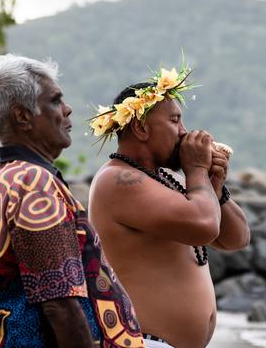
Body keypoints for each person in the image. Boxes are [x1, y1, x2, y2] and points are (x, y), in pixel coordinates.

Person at [0, 54, 145, 348]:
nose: (67, 109)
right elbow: (59, 304)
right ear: (23, 116)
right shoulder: (34, 183)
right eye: (55, 101)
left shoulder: (0, 180)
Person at [88, 66, 250, 348]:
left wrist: (215, 185)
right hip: (142, 342)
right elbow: (204, 226)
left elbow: (236, 239)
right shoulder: (117, 180)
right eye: (175, 121)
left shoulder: (167, 179)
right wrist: (198, 169)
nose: (184, 132)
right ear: (140, 127)